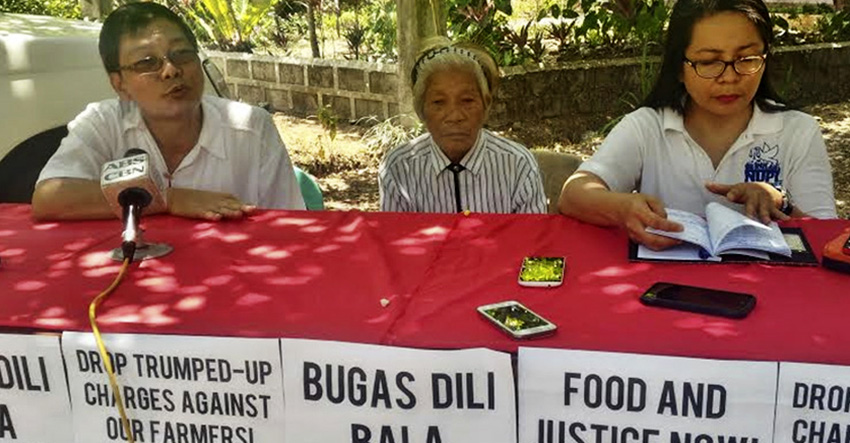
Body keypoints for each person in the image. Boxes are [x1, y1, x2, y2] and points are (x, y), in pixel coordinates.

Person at [558, 0, 836, 250]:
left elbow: (827, 234)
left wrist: (780, 202)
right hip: (666, 286)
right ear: (679, 68)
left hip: (771, 288)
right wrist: (622, 208)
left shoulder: (797, 131)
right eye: (708, 62)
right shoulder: (648, 126)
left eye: (747, 58)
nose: (729, 77)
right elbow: (573, 195)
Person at [32, 2, 305, 221]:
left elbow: (291, 224)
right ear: (120, 84)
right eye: (147, 62)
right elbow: (49, 198)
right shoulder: (104, 123)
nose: (171, 70)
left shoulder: (250, 127)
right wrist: (167, 199)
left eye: (182, 54)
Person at [379, 37, 547, 214]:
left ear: (486, 105)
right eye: (438, 102)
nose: (454, 116)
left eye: (467, 100)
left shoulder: (518, 165)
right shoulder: (398, 168)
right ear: (421, 110)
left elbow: (532, 239)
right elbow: (394, 238)